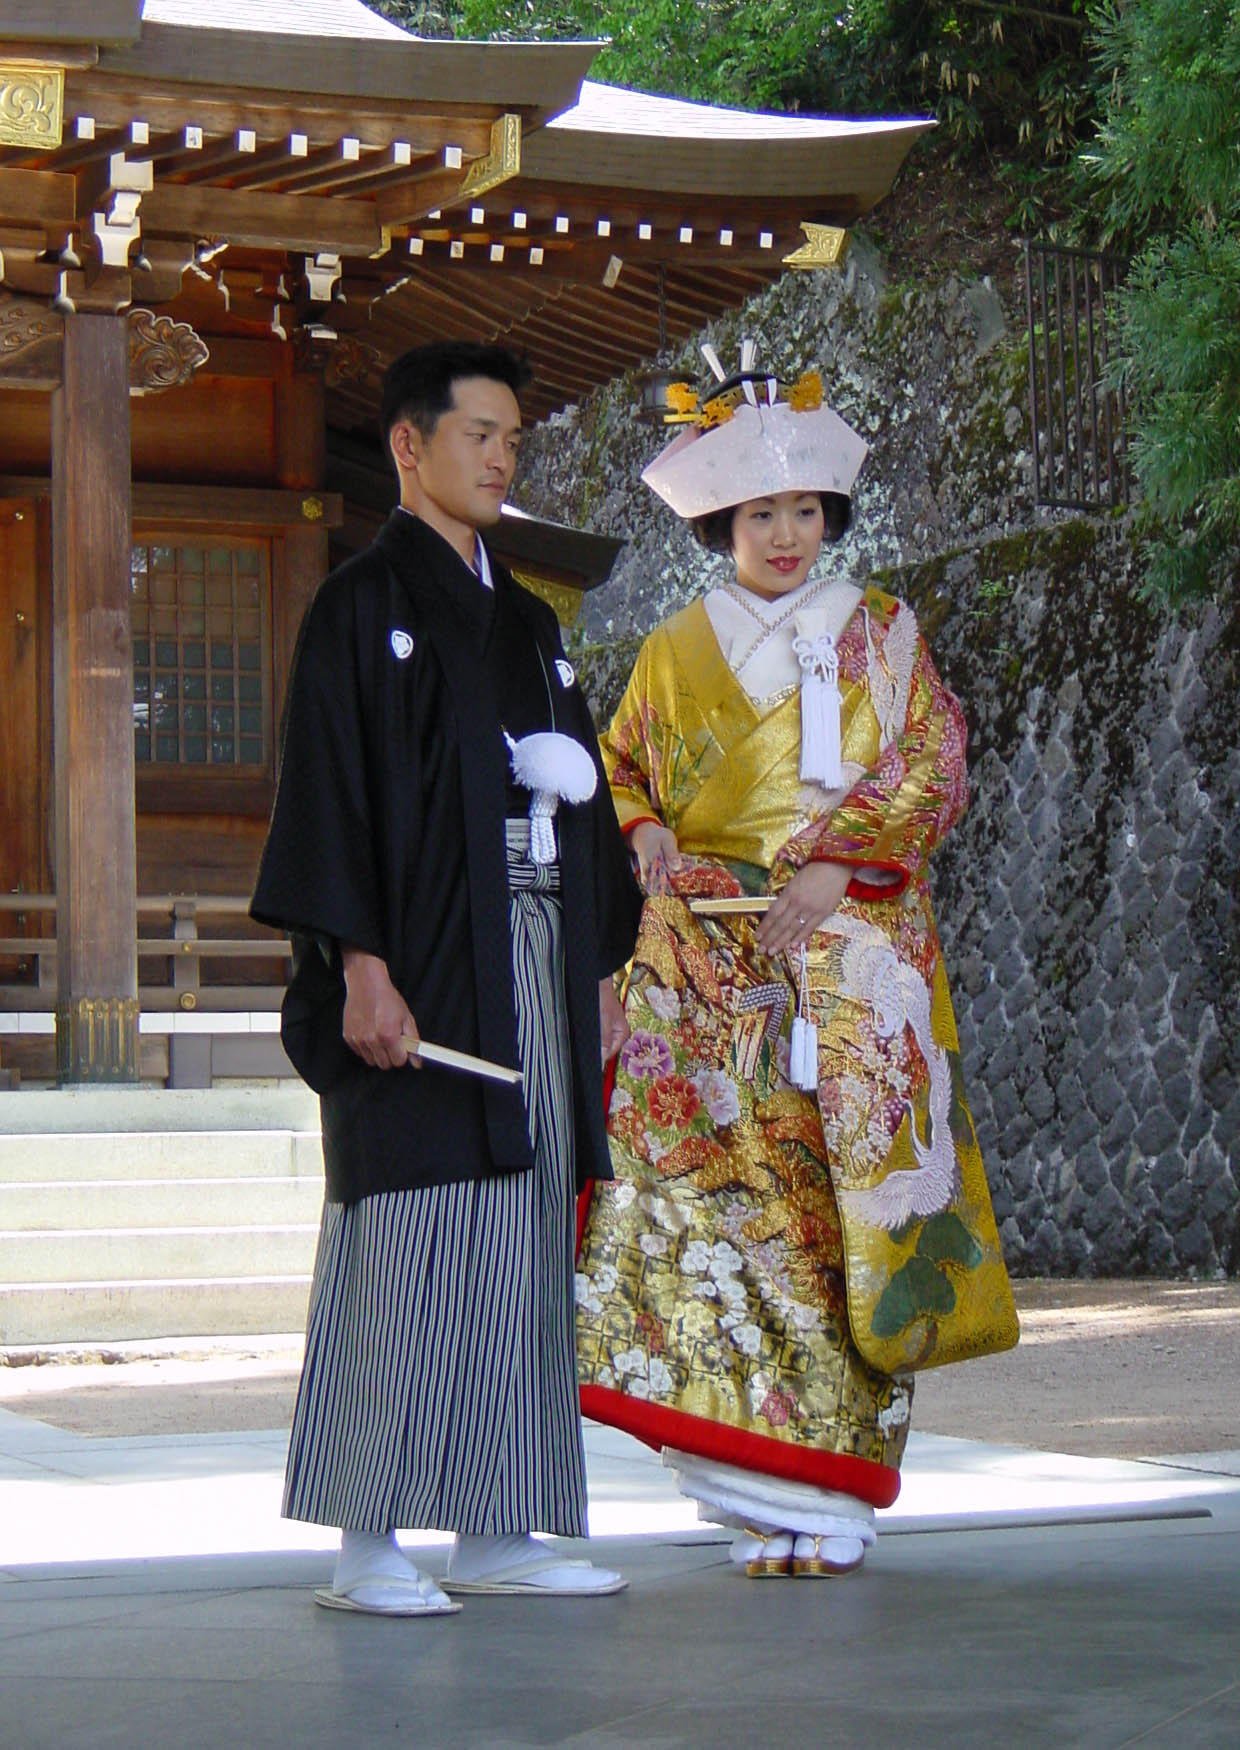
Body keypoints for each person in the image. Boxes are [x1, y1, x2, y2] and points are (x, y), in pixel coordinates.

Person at [575, 345, 1017, 1578]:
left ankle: (831, 1490)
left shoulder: (882, 631)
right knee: (719, 1212)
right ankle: (753, 1484)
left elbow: (931, 765)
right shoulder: (673, 647)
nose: (786, 532)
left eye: (806, 510)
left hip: (845, 955)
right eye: (762, 511)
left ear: (830, 517)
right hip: (707, 977)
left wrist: (845, 864)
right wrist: (650, 828)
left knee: (838, 1223)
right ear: (723, 519)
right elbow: (620, 768)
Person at [251, 341, 642, 1616]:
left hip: (531, 950)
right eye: (479, 434)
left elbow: (581, 810)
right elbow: (332, 793)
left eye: (514, 441)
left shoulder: (530, 623)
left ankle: (497, 1522)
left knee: (520, 1233)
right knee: (406, 1230)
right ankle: (368, 1539)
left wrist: (596, 966)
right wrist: (357, 964)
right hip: (417, 961)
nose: (500, 458)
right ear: (410, 447)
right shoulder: (359, 610)